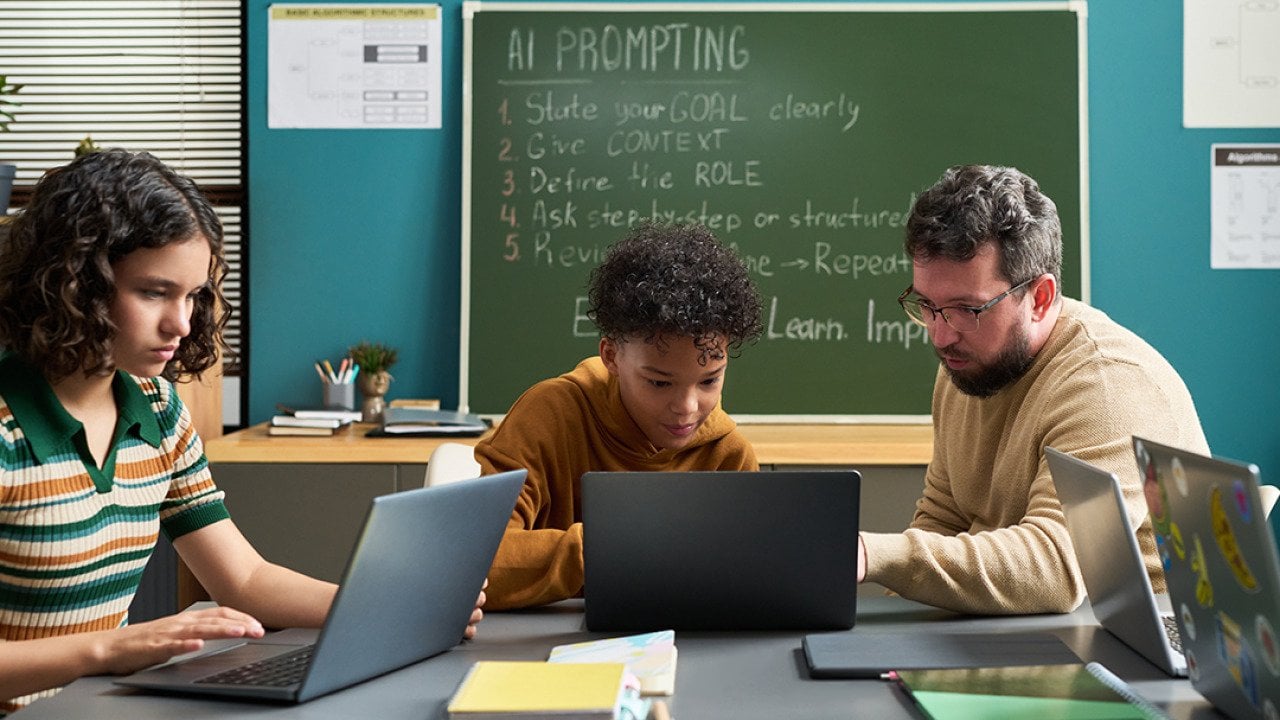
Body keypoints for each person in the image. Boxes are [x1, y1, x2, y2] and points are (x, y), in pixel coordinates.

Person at [0, 149, 483, 713]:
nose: (182, 323)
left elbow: (244, 579)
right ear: (76, 282)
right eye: (154, 292)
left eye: (193, 296)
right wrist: (108, 649)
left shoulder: (157, 409)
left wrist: (392, 608)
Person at [858, 164, 1209, 615]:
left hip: (1137, 637)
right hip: (1029, 627)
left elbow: (1055, 570)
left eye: (968, 309)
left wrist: (872, 555)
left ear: (1040, 298)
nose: (941, 335)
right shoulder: (969, 362)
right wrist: (886, 635)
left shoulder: (1108, 384)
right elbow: (944, 517)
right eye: (927, 305)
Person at [474, 222, 764, 610]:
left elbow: (747, 580)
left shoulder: (729, 456)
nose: (687, 407)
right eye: (659, 383)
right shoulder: (549, 415)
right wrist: (615, 547)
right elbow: (474, 558)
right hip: (548, 641)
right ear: (611, 356)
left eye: (709, 380)